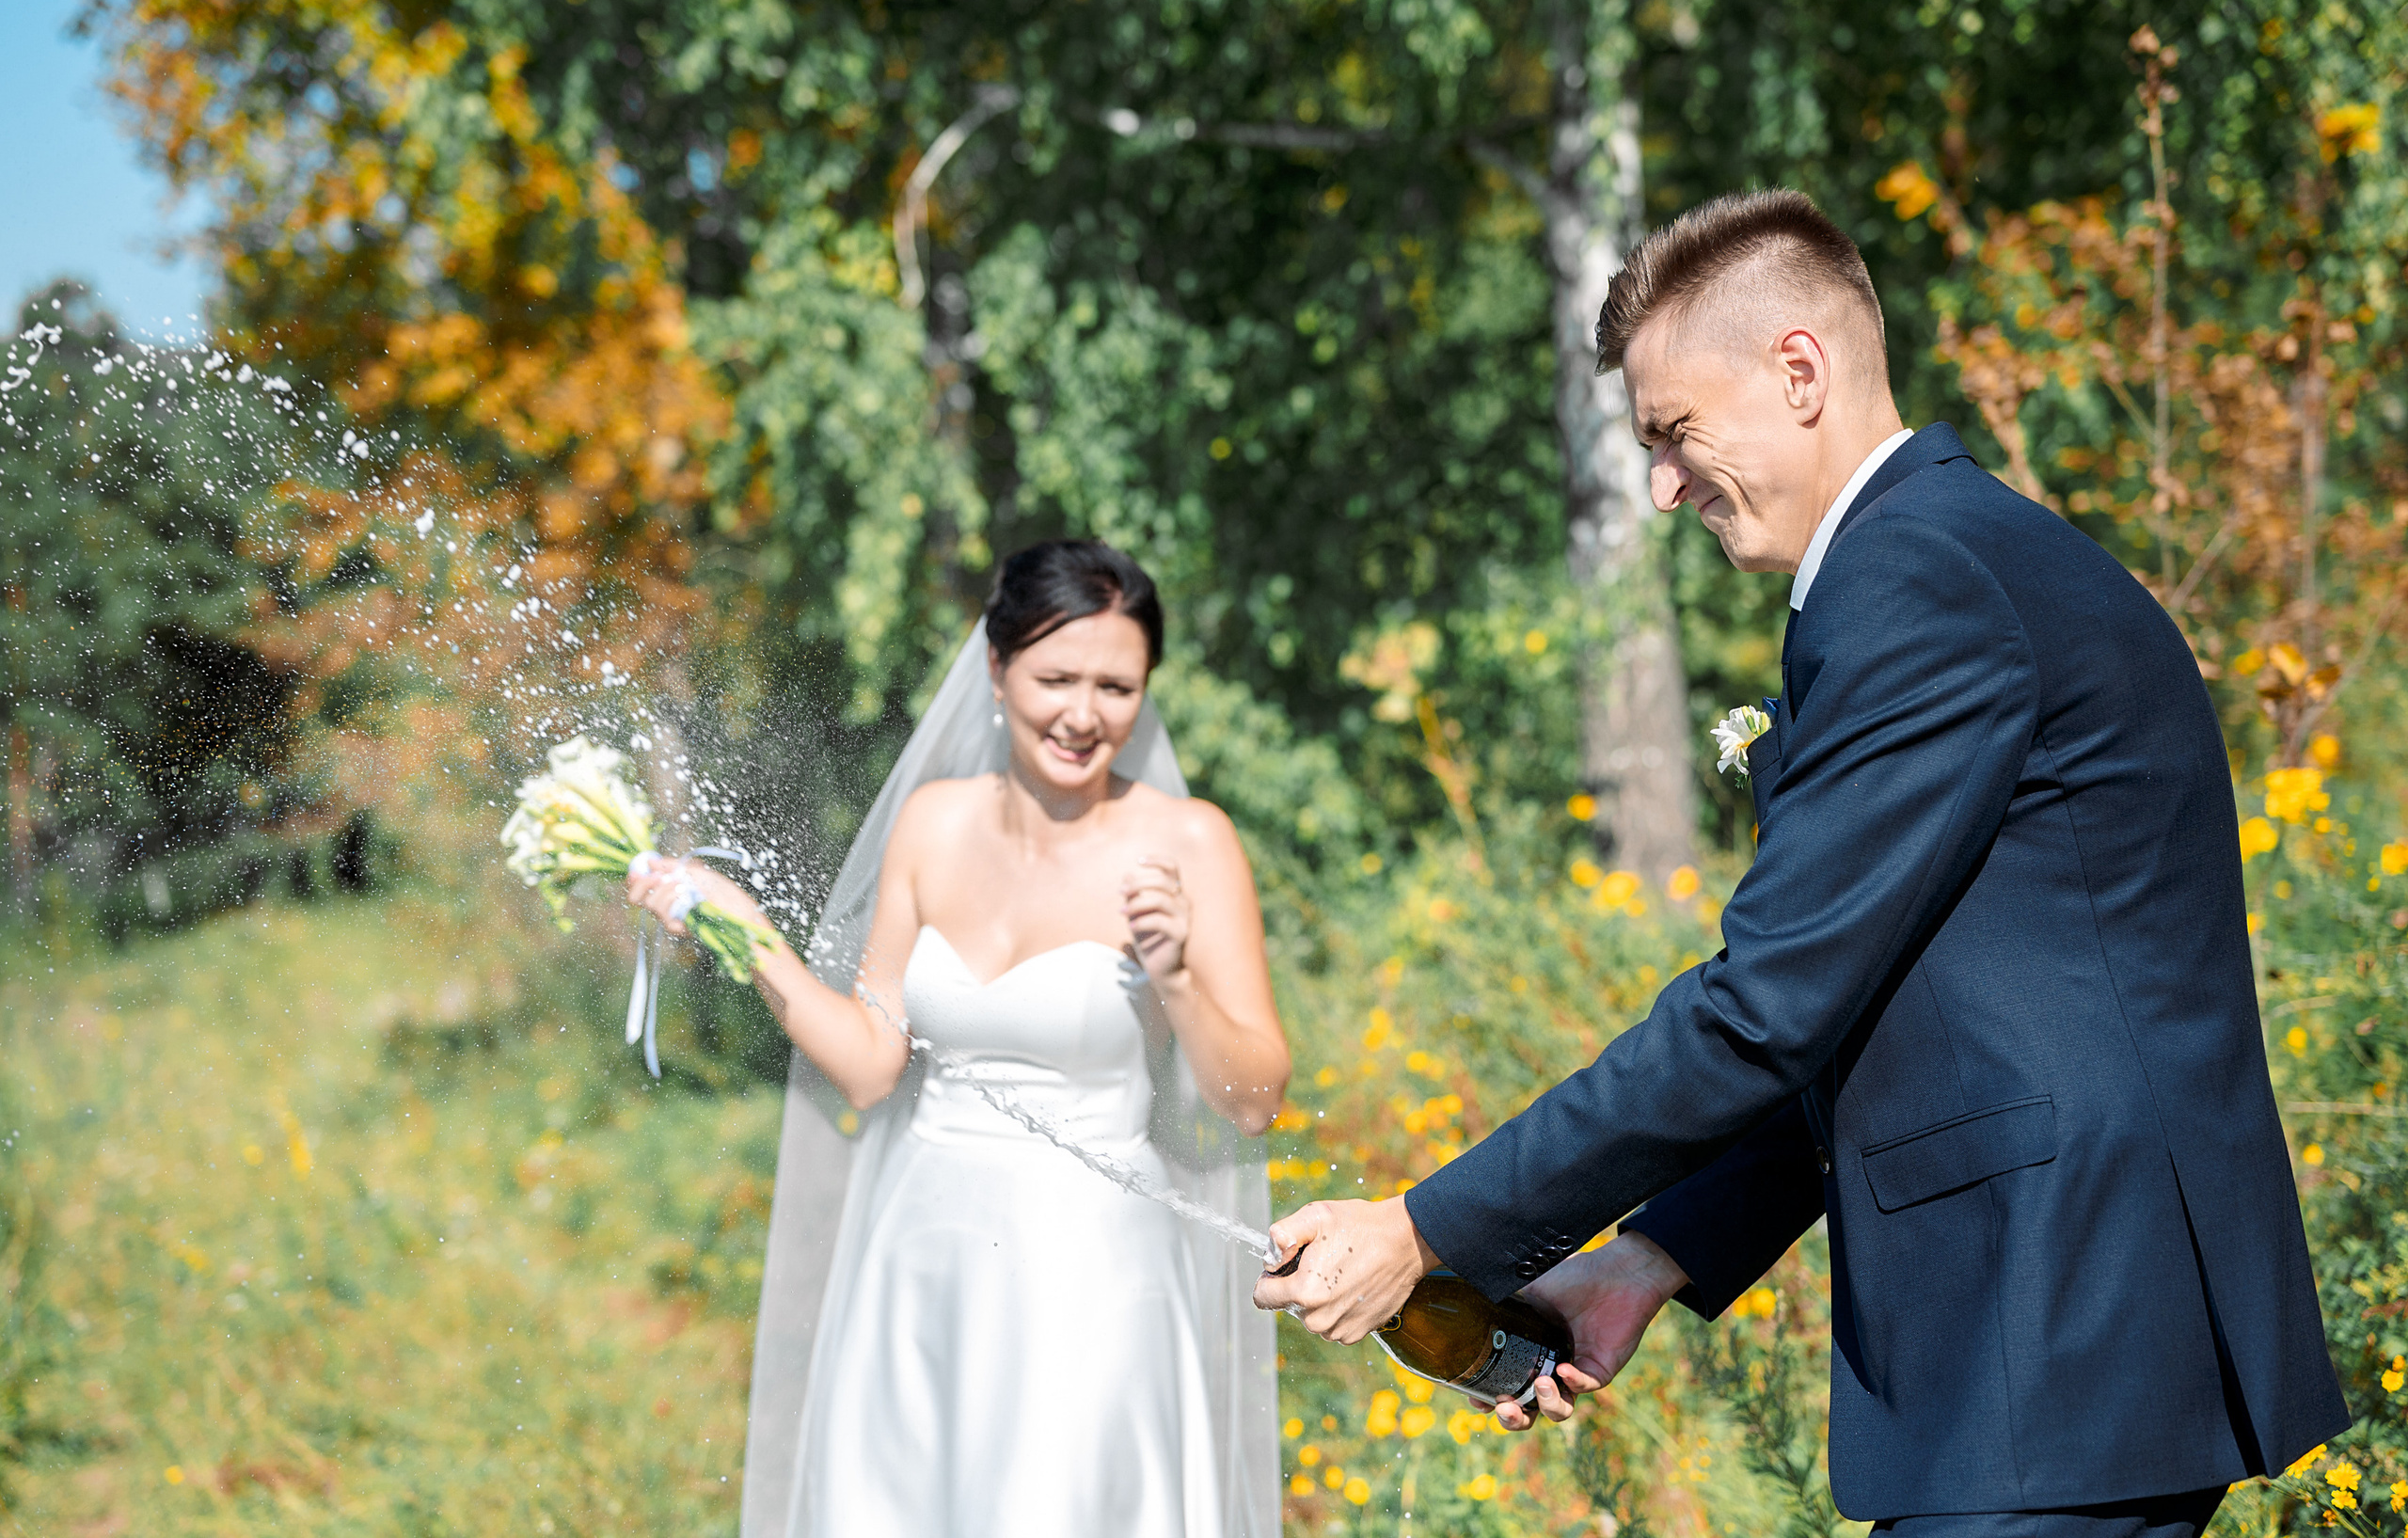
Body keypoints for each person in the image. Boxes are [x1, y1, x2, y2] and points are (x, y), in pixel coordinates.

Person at [1256, 190, 2347, 1536]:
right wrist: (1650, 1257)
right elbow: (1883, 1007)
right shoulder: (1963, 555)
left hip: (2049, 1332)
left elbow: (1762, 1006)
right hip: (2059, 1356)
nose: (1662, 484)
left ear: (1799, 368)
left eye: (1673, 432)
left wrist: (1424, 1229)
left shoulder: (1916, 582)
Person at [630, 540, 1291, 1537]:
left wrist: (1180, 978)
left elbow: (1254, 1098)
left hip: (1093, 1273)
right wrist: (747, 933)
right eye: (1055, 676)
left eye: (1115, 684)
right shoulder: (931, 824)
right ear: (994, 667)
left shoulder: (1190, 840)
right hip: (922, 1257)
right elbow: (867, 1061)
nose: (1083, 712)